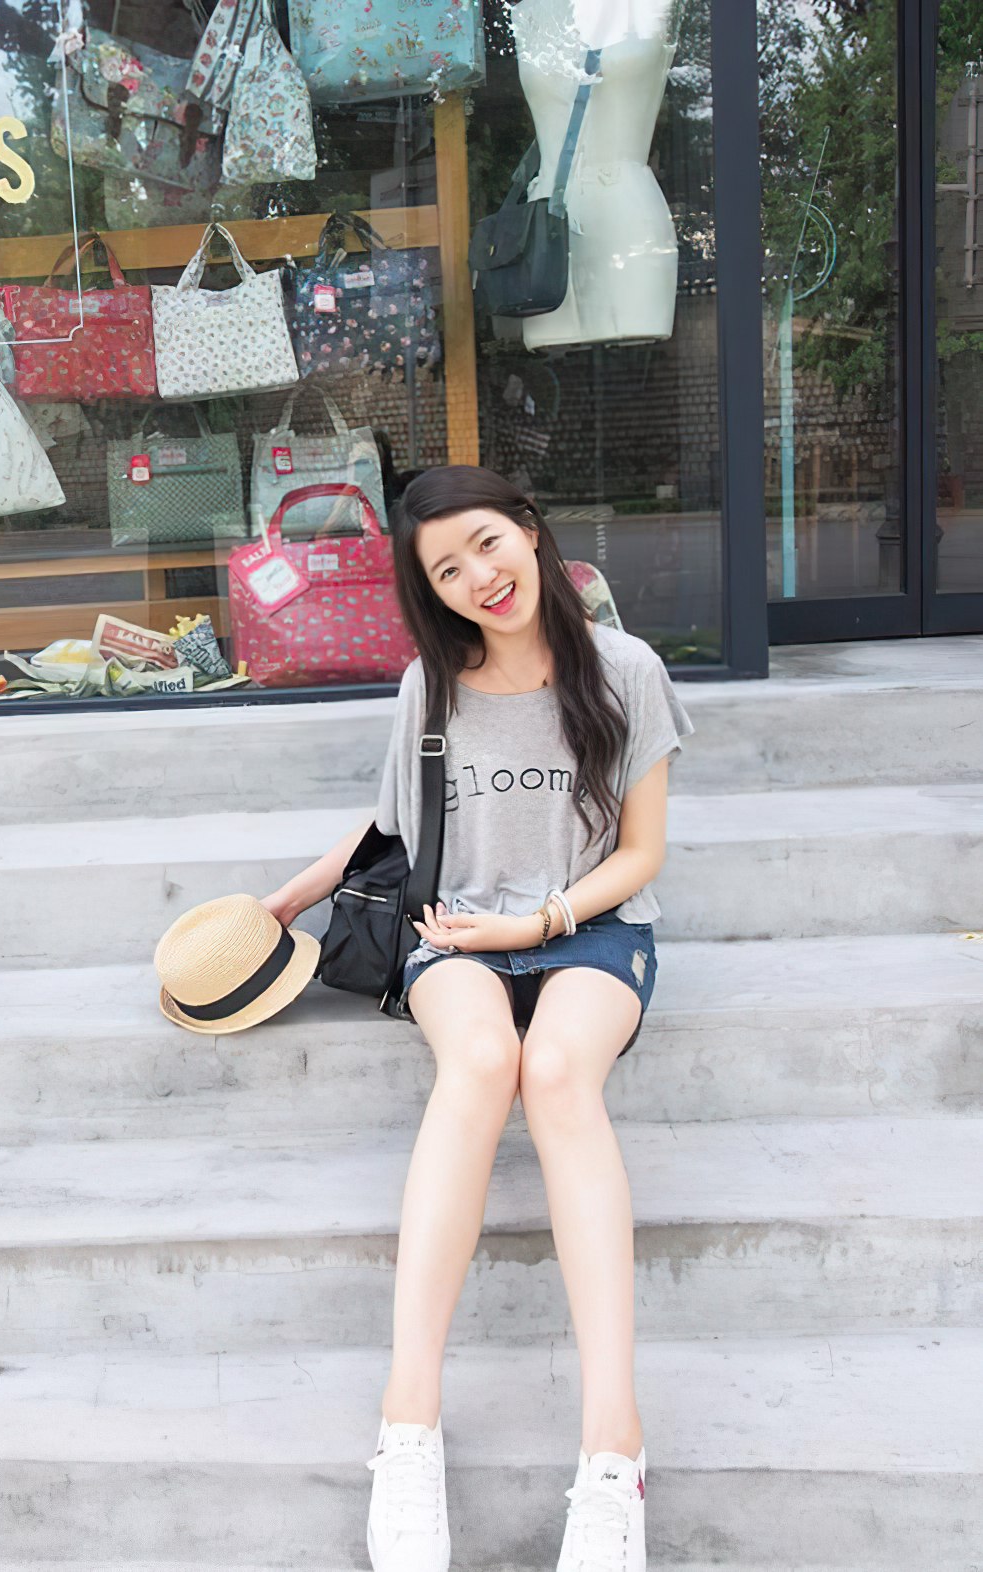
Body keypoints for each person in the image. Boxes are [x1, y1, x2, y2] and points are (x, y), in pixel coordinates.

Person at [261, 465, 694, 1572]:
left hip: (590, 928)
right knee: (483, 1060)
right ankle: (408, 1424)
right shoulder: (431, 688)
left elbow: (642, 852)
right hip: (454, 930)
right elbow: (389, 827)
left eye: (487, 544)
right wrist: (289, 899)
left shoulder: (626, 670)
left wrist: (543, 920)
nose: (478, 579)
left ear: (530, 532)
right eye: (446, 570)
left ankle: (613, 1446)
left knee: (557, 1072)